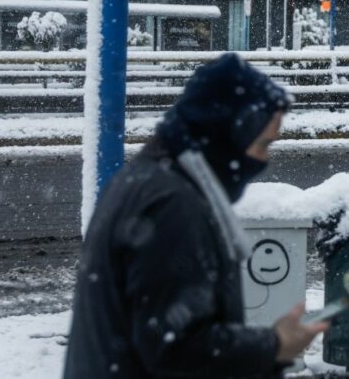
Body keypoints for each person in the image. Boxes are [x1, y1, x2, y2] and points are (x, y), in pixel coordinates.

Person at [64, 54, 327, 379]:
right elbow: (175, 349)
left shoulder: (148, 179)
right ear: (228, 136)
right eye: (262, 144)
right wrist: (272, 346)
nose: (264, 160)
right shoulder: (172, 207)